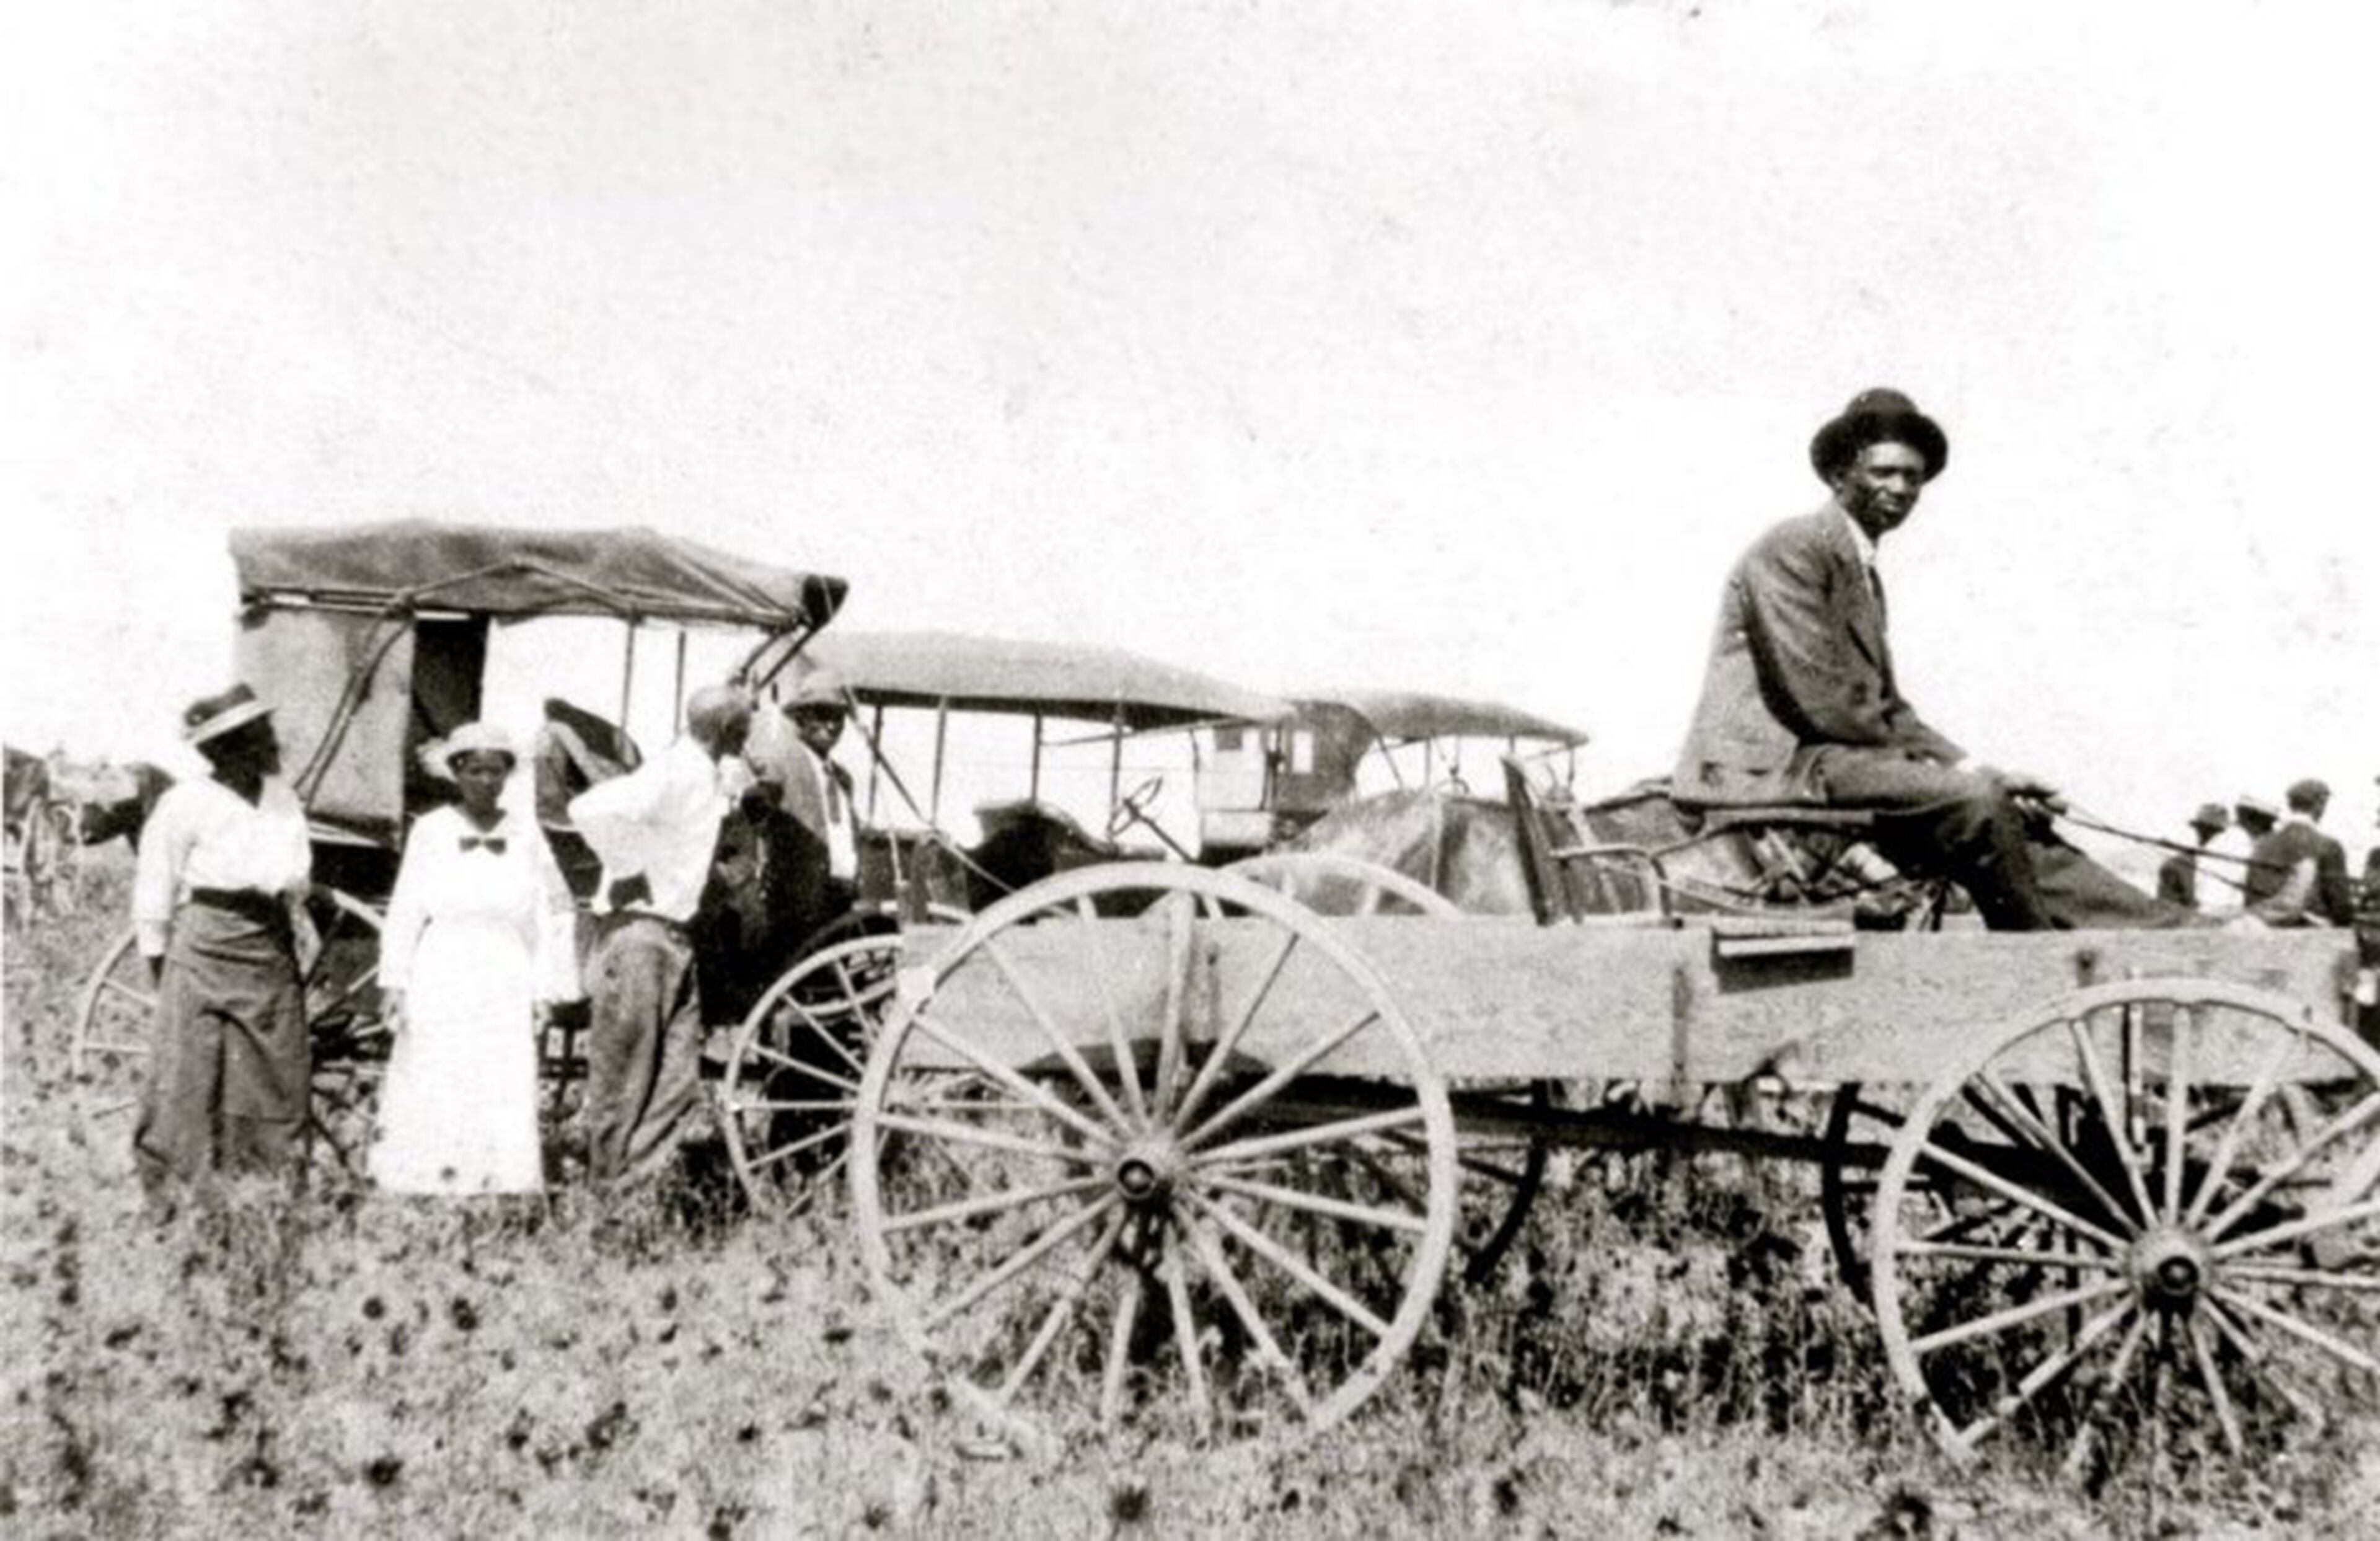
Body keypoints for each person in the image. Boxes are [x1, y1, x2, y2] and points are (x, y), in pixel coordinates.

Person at [1672, 387, 2193, 931]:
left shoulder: (1859, 568)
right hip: (1774, 773)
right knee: (1975, 804)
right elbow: (1828, 706)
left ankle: (2179, 932)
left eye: (1913, 478)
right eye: (1885, 473)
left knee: (2000, 806)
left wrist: (1978, 769)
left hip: (1832, 763)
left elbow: (1887, 709)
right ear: (1839, 476)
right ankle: (2037, 957)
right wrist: (1953, 777)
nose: (1901, 489)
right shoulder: (1795, 548)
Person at [371, 723, 577, 1195]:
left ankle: (497, 1180)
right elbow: (406, 909)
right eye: (476, 771)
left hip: (505, 967)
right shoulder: (431, 830)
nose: (486, 781)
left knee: (500, 1073)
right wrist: (395, 982)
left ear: (508, 776)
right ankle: (428, 1179)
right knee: (440, 1066)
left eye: (496, 771)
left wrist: (543, 989)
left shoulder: (526, 833)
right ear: (457, 773)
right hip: (444, 965)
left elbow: (544, 916)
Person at [129, 684, 313, 1197]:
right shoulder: (185, 802)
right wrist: (159, 962)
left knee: (275, 1069)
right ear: (228, 746)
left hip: (267, 945)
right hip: (204, 940)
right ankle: (177, 1196)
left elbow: (296, 872)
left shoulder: (282, 799)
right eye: (261, 736)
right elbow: (155, 885)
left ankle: (263, 1191)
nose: (273, 744)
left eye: (268, 733)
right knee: (186, 1072)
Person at [567, 684, 754, 1186]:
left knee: (678, 1081)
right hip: (640, 939)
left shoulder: (705, 775)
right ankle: (606, 1193)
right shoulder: (674, 771)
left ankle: (627, 1187)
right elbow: (588, 810)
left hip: (675, 939)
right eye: (745, 725)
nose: (750, 733)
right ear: (726, 730)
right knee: (624, 1080)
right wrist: (632, 863)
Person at [745, 665, 863, 955]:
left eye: (838, 716)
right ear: (800, 717)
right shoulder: (780, 764)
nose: (832, 725)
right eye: (822, 713)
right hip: (796, 906)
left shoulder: (843, 778)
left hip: (841, 902)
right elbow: (753, 812)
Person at [2243, 777, 2357, 927]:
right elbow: (2341, 906)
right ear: (2320, 805)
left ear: (2291, 804)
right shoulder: (2329, 846)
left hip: (2260, 925)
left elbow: (2249, 897)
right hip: (2309, 931)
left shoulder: (2261, 844)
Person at [2156, 803, 2231, 910]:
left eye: (2212, 831)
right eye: (2205, 830)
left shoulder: (2226, 864)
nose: (2206, 834)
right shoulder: (2176, 865)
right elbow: (2166, 905)